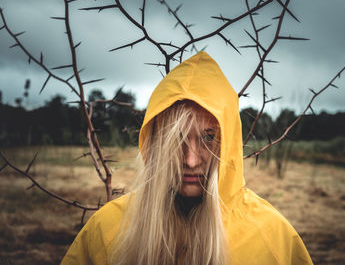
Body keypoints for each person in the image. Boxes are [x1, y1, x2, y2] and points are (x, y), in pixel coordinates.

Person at [61, 52, 313, 265]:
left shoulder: (273, 239)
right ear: (156, 143)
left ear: (228, 143)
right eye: (178, 139)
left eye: (208, 137)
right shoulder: (106, 230)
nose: (191, 160)